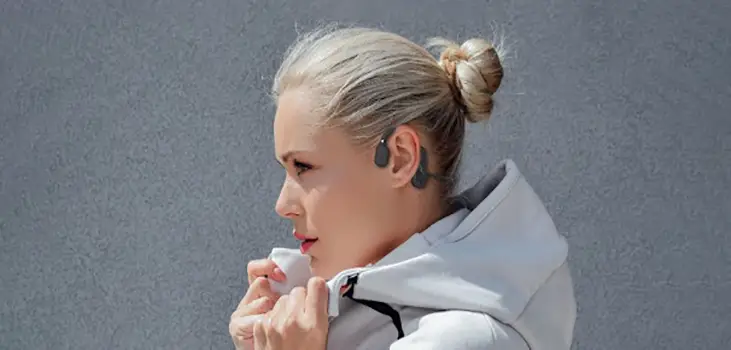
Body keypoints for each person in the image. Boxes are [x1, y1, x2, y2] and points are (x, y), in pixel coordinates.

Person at [229, 25, 576, 350]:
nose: (283, 204)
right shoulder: (338, 314)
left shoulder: (462, 341)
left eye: (304, 167)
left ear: (399, 158)